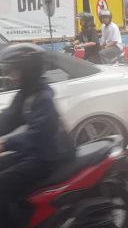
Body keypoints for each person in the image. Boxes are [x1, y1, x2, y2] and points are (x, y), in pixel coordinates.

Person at [0, 44, 76, 227]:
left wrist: (5, 144)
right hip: (34, 152)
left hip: (48, 156)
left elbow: (38, 134)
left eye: (15, 70)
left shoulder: (43, 97)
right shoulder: (25, 94)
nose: (11, 75)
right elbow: (8, 119)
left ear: (28, 70)